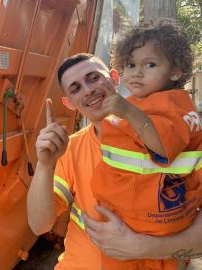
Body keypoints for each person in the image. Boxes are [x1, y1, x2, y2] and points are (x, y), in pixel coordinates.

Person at [26, 51, 202, 270]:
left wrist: (144, 247)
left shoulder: (176, 137)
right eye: (76, 88)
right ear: (69, 103)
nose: (89, 90)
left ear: (115, 78)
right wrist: (45, 164)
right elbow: (39, 224)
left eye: (94, 78)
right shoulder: (70, 149)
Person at [90, 19, 202, 270]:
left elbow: (163, 145)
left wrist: (127, 111)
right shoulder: (152, 102)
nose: (136, 73)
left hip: (151, 228)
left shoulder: (170, 103)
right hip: (134, 223)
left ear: (175, 71)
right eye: (130, 65)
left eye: (150, 64)